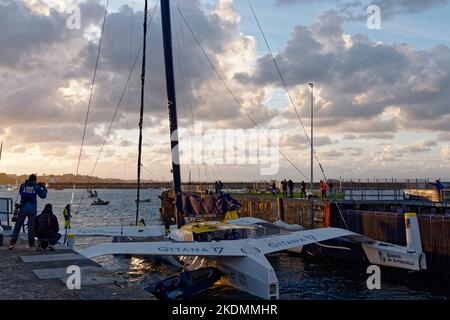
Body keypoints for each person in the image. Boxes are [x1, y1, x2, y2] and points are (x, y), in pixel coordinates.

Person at [9, 174, 48, 250]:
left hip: (23, 208)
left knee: (18, 225)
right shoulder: (36, 187)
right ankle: (31, 244)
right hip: (32, 209)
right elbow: (43, 196)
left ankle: (12, 242)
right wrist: (44, 188)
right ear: (35, 180)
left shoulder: (23, 185)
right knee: (31, 226)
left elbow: (21, 194)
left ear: (29, 179)